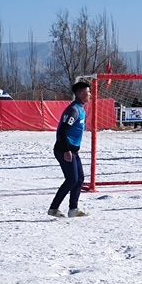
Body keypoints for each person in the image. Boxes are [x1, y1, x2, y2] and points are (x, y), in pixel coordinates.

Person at [48, 81, 91, 218]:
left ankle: (73, 209)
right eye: (88, 92)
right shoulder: (74, 110)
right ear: (80, 94)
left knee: (79, 179)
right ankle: (53, 208)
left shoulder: (81, 109)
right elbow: (62, 131)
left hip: (73, 150)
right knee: (72, 179)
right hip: (64, 149)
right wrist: (66, 150)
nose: (90, 94)